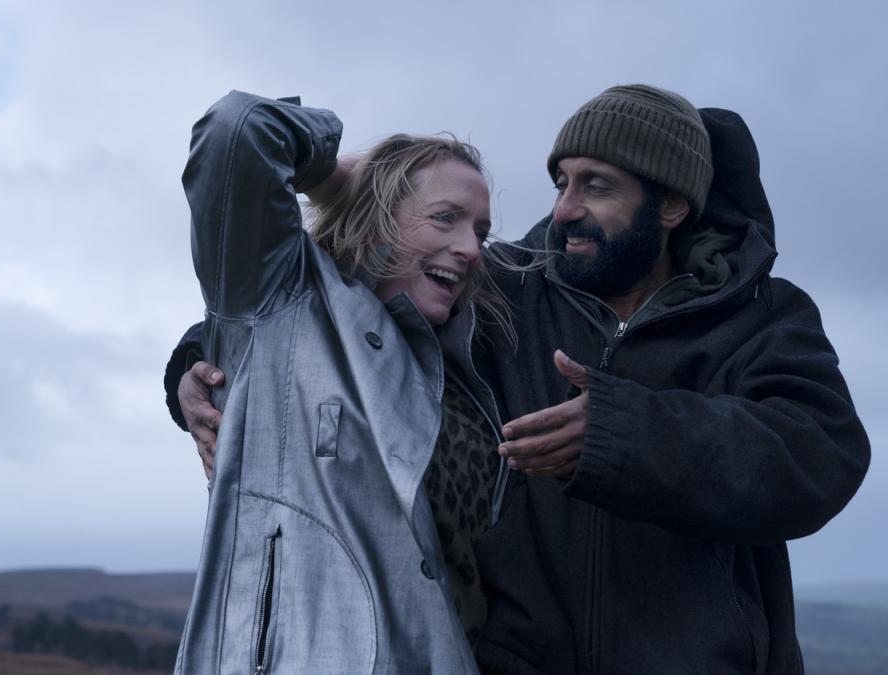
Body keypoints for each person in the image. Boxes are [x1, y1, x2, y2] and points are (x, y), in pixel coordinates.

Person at [167, 85, 870, 674]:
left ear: (671, 206)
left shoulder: (757, 315)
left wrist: (622, 432)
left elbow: (820, 456)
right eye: (562, 181)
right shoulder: (511, 285)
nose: (564, 208)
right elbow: (345, 295)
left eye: (597, 186)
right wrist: (199, 367)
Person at [173, 90, 517, 674]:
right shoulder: (279, 297)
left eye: (480, 232)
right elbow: (239, 129)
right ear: (378, 212)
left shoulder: (470, 368)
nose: (470, 248)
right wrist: (336, 175)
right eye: (444, 218)